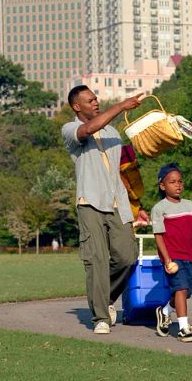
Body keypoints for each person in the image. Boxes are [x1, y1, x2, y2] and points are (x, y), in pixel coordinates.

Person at [61, 85, 142, 334]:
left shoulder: (112, 132)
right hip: (90, 202)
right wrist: (120, 106)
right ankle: (101, 318)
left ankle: (104, 298)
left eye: (96, 99)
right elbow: (88, 129)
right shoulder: (70, 128)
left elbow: (125, 172)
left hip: (118, 202)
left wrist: (138, 206)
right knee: (96, 260)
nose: (95, 102)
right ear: (77, 106)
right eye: (89, 100)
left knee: (128, 257)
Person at [151, 163, 192, 342]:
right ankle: (184, 328)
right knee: (181, 289)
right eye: (172, 182)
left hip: (188, 254)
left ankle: (165, 311)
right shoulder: (159, 208)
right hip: (172, 256)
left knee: (183, 292)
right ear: (163, 185)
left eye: (180, 182)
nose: (178, 185)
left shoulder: (190, 205)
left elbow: (191, 231)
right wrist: (167, 259)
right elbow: (159, 236)